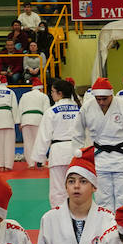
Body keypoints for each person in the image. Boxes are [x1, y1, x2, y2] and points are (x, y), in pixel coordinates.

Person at [81, 76, 123, 209]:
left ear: (111, 94)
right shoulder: (87, 107)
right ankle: (107, 227)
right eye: (97, 99)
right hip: (99, 158)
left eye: (104, 99)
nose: (100, 102)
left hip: (121, 157)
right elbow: (78, 132)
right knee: (102, 198)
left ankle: (122, 228)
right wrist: (79, 155)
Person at [30, 79, 85, 208]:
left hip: (59, 153)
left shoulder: (52, 111)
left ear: (59, 93)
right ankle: (79, 215)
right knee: (78, 188)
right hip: (77, 153)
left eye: (53, 92)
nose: (52, 95)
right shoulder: (80, 109)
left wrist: (39, 158)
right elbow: (87, 132)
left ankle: (59, 218)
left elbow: (44, 136)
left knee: (58, 190)